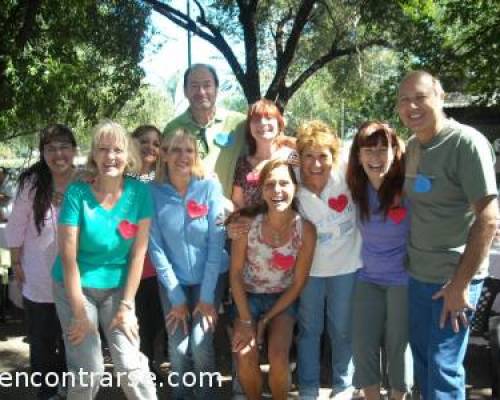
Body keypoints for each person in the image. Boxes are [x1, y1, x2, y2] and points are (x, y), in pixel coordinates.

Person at [398, 70, 497, 399]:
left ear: (440, 97)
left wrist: (461, 285)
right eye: (404, 100)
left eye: (420, 97)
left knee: (443, 367)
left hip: (453, 279)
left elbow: (489, 217)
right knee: (425, 362)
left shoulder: (466, 143)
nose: (412, 106)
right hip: (418, 276)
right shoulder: (413, 145)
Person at [52, 120, 157, 399]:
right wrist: (78, 312)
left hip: (117, 288)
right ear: (93, 156)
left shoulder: (139, 193)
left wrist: (127, 305)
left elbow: (138, 254)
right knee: (89, 370)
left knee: (130, 366)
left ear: (128, 156)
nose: (111, 157)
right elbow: (68, 257)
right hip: (74, 288)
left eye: (118, 150)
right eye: (103, 149)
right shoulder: (77, 193)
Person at [148, 129, 229, 399]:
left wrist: (207, 297)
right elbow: (156, 248)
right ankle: (180, 394)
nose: (183, 156)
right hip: (173, 281)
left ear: (196, 155)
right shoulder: (152, 192)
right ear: (164, 154)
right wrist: (176, 296)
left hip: (211, 277)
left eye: (189, 150)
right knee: (179, 347)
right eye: (175, 150)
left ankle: (206, 395)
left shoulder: (210, 187)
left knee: (200, 342)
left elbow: (216, 245)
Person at [230, 158, 316, 400]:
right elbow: (235, 274)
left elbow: (299, 282)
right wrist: (247, 321)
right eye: (270, 184)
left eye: (284, 183)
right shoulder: (246, 224)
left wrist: (265, 320)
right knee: (245, 354)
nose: (277, 190)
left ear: (295, 188)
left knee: (279, 358)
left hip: (283, 299)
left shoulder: (306, 230)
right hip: (247, 296)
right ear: (262, 190)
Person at [6, 124, 76, 400]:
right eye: (50, 148)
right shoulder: (31, 183)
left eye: (64, 147)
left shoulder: (86, 181)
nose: (58, 154)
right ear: (43, 152)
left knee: (75, 342)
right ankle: (48, 391)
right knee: (42, 343)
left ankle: (74, 389)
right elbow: (16, 225)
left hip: (78, 281)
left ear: (74, 150)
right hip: (39, 278)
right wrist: (16, 263)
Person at [294, 120, 362, 400]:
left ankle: (343, 385)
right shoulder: (292, 179)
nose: (316, 163)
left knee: (342, 329)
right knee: (309, 330)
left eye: (322, 156)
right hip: (309, 270)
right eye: (309, 155)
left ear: (333, 156)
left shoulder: (346, 172)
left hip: (347, 266)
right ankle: (308, 387)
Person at [346, 121, 412, 400]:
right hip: (368, 278)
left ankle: (399, 395)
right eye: (368, 150)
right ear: (358, 156)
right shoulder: (354, 187)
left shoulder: (410, 187)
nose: (375, 157)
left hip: (403, 279)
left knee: (398, 343)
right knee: (362, 344)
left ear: (396, 152)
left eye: (383, 148)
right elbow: (300, 161)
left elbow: (442, 193)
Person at [163, 63, 246, 198]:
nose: (201, 92)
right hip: (186, 213)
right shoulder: (173, 129)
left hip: (230, 214)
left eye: (207, 85)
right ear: (185, 91)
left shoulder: (240, 124)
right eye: (194, 86)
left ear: (216, 89)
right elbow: (162, 172)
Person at [130, 125, 164, 373]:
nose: (150, 147)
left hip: (159, 263)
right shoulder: (121, 178)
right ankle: (140, 370)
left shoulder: (163, 179)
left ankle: (151, 365)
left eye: (155, 143)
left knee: (156, 321)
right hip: (132, 263)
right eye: (144, 141)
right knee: (137, 320)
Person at [232, 98, 297, 209]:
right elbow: (238, 203)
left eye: (269, 118)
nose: (262, 123)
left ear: (279, 124)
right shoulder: (243, 164)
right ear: (249, 127)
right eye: (256, 120)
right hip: (252, 225)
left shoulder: (292, 157)